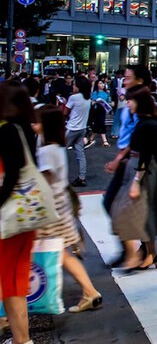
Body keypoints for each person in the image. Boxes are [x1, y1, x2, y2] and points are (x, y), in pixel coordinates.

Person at [31, 106, 103, 313]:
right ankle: (89, 292)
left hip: (50, 210)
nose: (33, 124)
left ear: (45, 125)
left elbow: (43, 181)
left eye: (36, 121)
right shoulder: (55, 148)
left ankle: (15, 305)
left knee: (56, 252)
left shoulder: (47, 152)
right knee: (62, 253)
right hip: (60, 207)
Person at [113, 85, 157, 270]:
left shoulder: (150, 124)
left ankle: (141, 254)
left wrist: (136, 181)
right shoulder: (143, 121)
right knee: (143, 214)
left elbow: (147, 154)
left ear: (139, 101)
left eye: (130, 100)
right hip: (137, 167)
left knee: (135, 213)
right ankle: (149, 253)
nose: (128, 104)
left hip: (143, 171)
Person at [0, 83, 39, 344]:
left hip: (8, 215)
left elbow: (11, 174)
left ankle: (22, 340)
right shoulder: (25, 128)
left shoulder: (7, 131)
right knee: (14, 280)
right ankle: (21, 339)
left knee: (10, 281)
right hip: (25, 213)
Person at [102, 64, 149, 268]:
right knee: (114, 203)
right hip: (126, 159)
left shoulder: (142, 105)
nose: (124, 80)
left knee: (116, 203)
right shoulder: (129, 101)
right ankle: (132, 249)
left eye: (128, 78)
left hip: (135, 160)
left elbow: (139, 135)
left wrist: (120, 157)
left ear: (139, 80)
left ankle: (138, 250)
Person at [64, 76, 92, 187]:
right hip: (82, 128)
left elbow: (65, 112)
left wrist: (65, 103)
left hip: (72, 128)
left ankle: (60, 177)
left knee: (60, 150)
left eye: (74, 85)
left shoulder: (73, 97)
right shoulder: (88, 98)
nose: (73, 87)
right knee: (80, 154)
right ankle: (82, 177)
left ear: (78, 87)